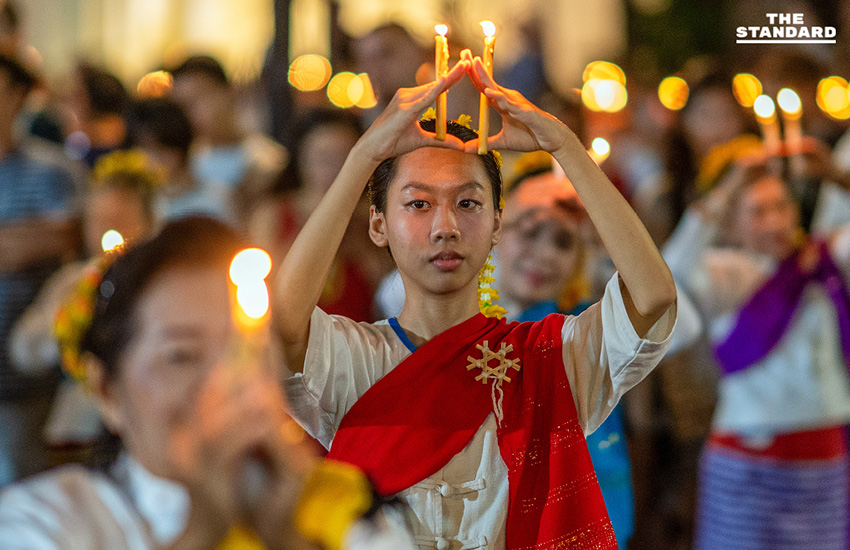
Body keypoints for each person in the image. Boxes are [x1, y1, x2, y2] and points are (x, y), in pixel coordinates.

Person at [276, 52, 678, 548]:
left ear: (496, 224)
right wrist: (362, 158)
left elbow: (653, 298)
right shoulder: (351, 359)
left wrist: (565, 146)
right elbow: (283, 326)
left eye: (468, 203)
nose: (445, 226)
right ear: (378, 225)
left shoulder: (549, 357)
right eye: (418, 204)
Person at [0, 217, 414, 549]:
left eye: (245, 352)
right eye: (182, 356)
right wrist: (206, 530)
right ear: (107, 392)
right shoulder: (45, 522)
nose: (224, 383)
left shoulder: (347, 509)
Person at [663, 159, 850, 549]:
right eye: (758, 211)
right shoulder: (727, 273)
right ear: (732, 225)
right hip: (747, 457)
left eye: (781, 206)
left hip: (822, 455)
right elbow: (670, 273)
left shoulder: (823, 264)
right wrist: (725, 191)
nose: (775, 222)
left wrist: (835, 176)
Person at [9, 149, 158, 448]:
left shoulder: (160, 285)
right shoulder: (72, 282)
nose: (107, 232)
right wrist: (63, 318)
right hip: (79, 430)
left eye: (119, 221)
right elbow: (23, 352)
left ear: (150, 224)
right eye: (97, 221)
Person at [0, 53, 79, 487]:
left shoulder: (51, 169)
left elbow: (64, 237)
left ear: (17, 97)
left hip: (25, 372)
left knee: (23, 486)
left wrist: (29, 242)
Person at [253, 108, 392, 321]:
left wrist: (363, 249)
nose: (334, 169)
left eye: (344, 158)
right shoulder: (273, 216)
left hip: (362, 332)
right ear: (300, 159)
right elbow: (259, 290)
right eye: (323, 158)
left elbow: (393, 293)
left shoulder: (374, 216)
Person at [169, 55, 286, 228]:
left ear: (230, 92)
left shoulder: (268, 161)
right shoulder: (181, 165)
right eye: (183, 106)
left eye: (199, 98)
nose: (191, 114)